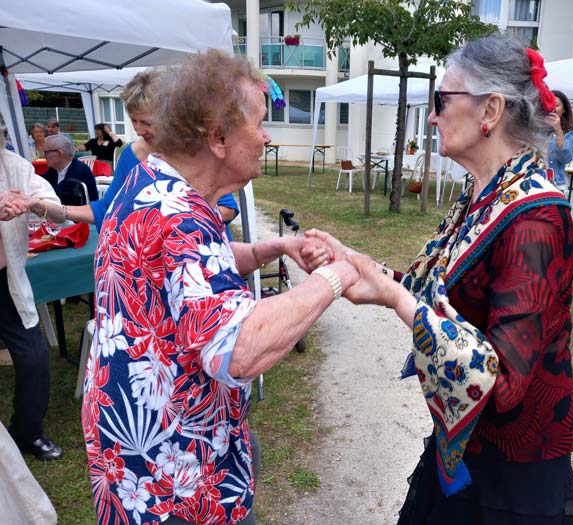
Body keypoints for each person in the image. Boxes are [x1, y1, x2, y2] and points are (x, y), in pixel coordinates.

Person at [308, 33, 573, 524]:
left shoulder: (535, 218)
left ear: (490, 111)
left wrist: (394, 298)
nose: (432, 116)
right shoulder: (487, 195)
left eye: (441, 101)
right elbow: (435, 296)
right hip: (467, 451)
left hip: (512, 481)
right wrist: (362, 268)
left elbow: (503, 387)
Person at [81, 49, 358, 525]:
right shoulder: (183, 217)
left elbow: (184, 274)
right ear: (218, 138)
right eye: (259, 123)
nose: (267, 137)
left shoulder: (151, 183)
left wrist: (274, 248)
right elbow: (239, 350)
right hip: (174, 473)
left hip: (130, 450)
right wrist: (339, 276)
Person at [11, 69, 240, 236]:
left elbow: (227, 209)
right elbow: (106, 209)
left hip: (207, 255)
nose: (139, 130)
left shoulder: (197, 150)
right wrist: (49, 208)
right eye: (134, 121)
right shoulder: (130, 156)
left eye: (146, 122)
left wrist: (173, 223)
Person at [0, 127, 64, 461]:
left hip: (5, 281)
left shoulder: (14, 166)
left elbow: (56, 209)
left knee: (35, 357)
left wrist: (32, 204)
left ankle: (27, 433)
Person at [42, 134, 99, 205]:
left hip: (80, 213)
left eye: (46, 152)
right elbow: (39, 182)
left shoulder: (78, 171)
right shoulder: (54, 170)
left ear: (60, 153)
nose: (44, 156)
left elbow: (57, 197)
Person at [546, 89, 573, 191]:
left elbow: (566, 158)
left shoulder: (569, 134)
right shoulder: (534, 130)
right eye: (548, 104)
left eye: (556, 105)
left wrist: (558, 129)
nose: (552, 109)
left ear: (564, 110)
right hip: (534, 183)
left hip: (556, 184)